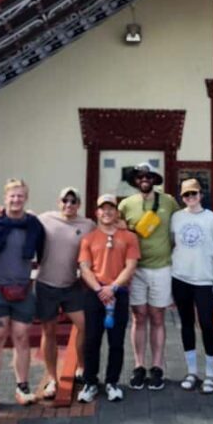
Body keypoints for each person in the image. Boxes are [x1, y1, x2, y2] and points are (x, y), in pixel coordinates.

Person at [0, 179, 45, 413]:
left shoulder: (33, 225)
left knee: (22, 337)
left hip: (23, 288)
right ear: (5, 198)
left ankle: (22, 386)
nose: (16, 200)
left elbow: (44, 251)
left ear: (26, 198)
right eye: (12, 196)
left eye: (20, 196)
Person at [118, 162, 180, 391]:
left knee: (157, 317)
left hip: (161, 267)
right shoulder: (126, 204)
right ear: (135, 180)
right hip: (136, 269)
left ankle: (157, 367)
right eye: (140, 176)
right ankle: (139, 365)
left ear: (154, 179)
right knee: (138, 316)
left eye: (148, 176)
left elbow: (180, 225)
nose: (144, 179)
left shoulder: (168, 201)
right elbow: (117, 231)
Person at [77, 194, 140, 403]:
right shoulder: (88, 238)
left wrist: (112, 288)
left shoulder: (129, 237)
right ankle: (90, 382)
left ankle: (112, 382)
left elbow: (130, 266)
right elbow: (85, 268)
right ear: (97, 212)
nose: (107, 212)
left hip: (118, 293)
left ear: (116, 212)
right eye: (103, 208)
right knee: (92, 340)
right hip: (94, 293)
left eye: (111, 208)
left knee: (116, 341)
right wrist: (99, 289)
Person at [36, 186, 95, 400]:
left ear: (79, 204)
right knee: (49, 331)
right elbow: (22, 220)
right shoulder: (44, 219)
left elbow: (103, 237)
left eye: (73, 201)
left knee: (84, 325)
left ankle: (81, 367)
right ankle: (52, 378)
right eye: (65, 200)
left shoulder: (87, 225)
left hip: (71, 285)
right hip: (46, 285)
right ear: (58, 202)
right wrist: (0, 213)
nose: (68, 204)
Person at [171, 178, 213, 394]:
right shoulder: (176, 217)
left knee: (206, 324)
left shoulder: (212, 219)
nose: (190, 198)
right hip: (181, 279)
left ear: (200, 195)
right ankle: (192, 371)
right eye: (186, 195)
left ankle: (210, 374)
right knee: (186, 324)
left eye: (193, 193)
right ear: (182, 197)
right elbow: (171, 245)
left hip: (204, 280)